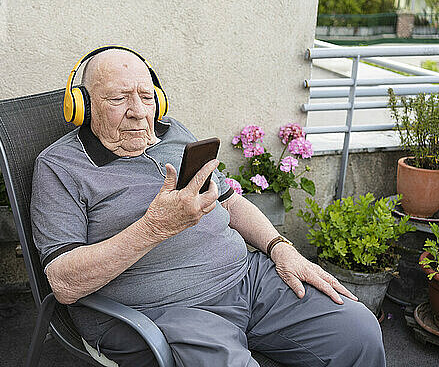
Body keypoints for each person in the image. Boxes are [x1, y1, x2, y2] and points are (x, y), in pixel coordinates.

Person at [30, 47, 386, 367]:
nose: (139, 113)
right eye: (119, 99)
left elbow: (229, 201)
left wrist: (281, 248)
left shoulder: (173, 133)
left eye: (146, 96)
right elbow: (64, 283)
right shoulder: (60, 167)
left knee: (359, 332)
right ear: (83, 106)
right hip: (163, 312)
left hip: (248, 279)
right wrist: (154, 227)